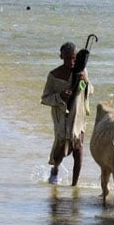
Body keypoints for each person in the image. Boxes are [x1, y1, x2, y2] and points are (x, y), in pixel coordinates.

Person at [41, 42, 93, 186]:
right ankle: (55, 169)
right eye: (67, 59)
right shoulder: (54, 75)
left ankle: (74, 185)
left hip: (78, 116)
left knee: (78, 149)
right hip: (61, 119)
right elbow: (45, 98)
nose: (71, 62)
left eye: (74, 59)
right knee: (60, 150)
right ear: (61, 57)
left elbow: (88, 90)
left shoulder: (82, 71)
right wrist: (60, 96)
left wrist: (84, 82)